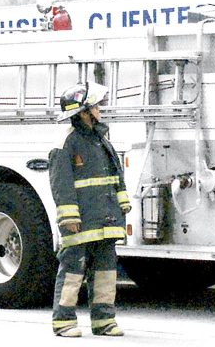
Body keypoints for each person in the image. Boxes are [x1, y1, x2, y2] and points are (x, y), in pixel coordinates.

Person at [49, 81, 131, 337]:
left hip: (106, 219)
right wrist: (69, 217)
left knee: (106, 273)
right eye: (95, 106)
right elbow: (61, 184)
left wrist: (122, 202)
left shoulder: (100, 139)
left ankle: (104, 321)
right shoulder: (67, 143)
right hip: (81, 221)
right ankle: (64, 322)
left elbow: (116, 174)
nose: (99, 110)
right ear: (83, 112)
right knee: (73, 271)